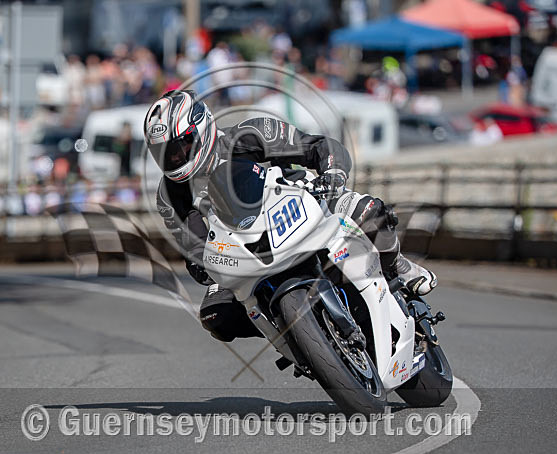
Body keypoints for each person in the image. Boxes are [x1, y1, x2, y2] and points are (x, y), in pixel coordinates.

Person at [143, 90, 437, 341]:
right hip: (245, 248)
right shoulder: (169, 195)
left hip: (306, 205)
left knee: (367, 211)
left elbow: (318, 147)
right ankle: (295, 335)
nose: (176, 158)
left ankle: (396, 266)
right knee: (215, 315)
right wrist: (200, 263)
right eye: (166, 154)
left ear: (201, 127)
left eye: (181, 147)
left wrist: (332, 173)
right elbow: (192, 241)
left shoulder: (250, 135)